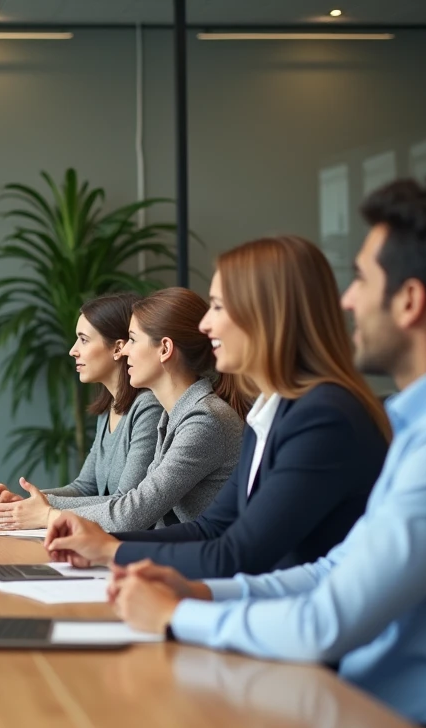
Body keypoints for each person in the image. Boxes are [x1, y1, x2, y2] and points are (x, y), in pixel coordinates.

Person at [96, 178, 426, 728]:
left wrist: (181, 613)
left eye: (361, 279)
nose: (349, 299)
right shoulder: (422, 419)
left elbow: (327, 621)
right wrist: (194, 591)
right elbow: (332, 571)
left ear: (410, 301)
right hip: (362, 710)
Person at [43, 236, 391, 580]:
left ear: (267, 315)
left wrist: (111, 551)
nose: (206, 324)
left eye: (219, 307)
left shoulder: (322, 418)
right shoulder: (269, 413)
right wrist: (103, 545)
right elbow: (212, 528)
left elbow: (239, 554)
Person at [0, 288, 247, 533]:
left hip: (198, 565)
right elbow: (127, 503)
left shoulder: (204, 420)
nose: (124, 350)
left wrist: (49, 513)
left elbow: (132, 511)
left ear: (165, 349)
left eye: (133, 340)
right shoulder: (176, 415)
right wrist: (36, 506)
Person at [0, 293, 163, 527]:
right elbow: (84, 487)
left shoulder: (148, 407)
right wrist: (29, 503)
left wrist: (45, 509)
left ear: (118, 348)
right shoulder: (109, 406)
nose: (73, 350)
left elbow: (124, 503)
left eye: (83, 340)